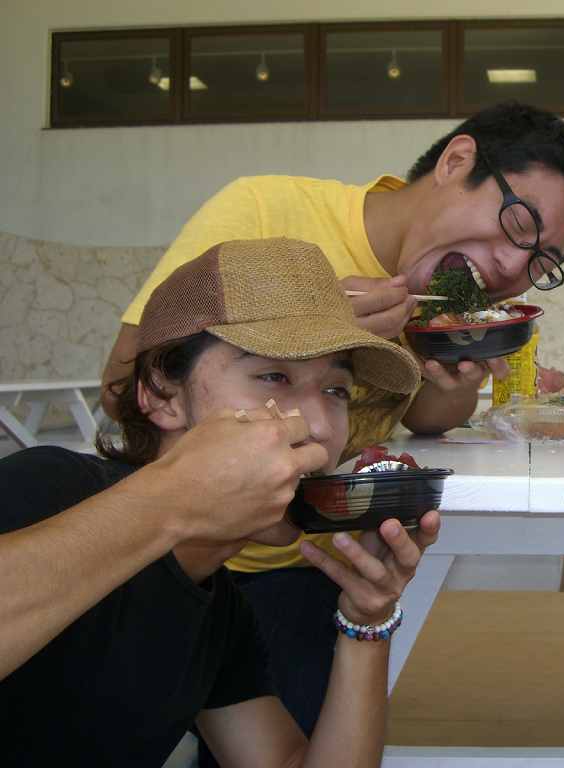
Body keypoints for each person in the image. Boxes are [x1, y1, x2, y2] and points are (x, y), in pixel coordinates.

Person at [98, 101, 564, 748]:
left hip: (306, 560)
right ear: (458, 161)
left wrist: (452, 376)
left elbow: (421, 420)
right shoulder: (265, 210)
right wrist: (306, 319)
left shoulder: (437, 299)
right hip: (181, 549)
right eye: (519, 224)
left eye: (541, 263)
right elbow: (124, 384)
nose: (515, 270)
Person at [0, 238, 438, 767]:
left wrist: (367, 620)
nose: (320, 428)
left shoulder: (216, 610)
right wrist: (177, 498)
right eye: (273, 376)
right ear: (161, 392)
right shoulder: (48, 488)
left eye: (336, 391)